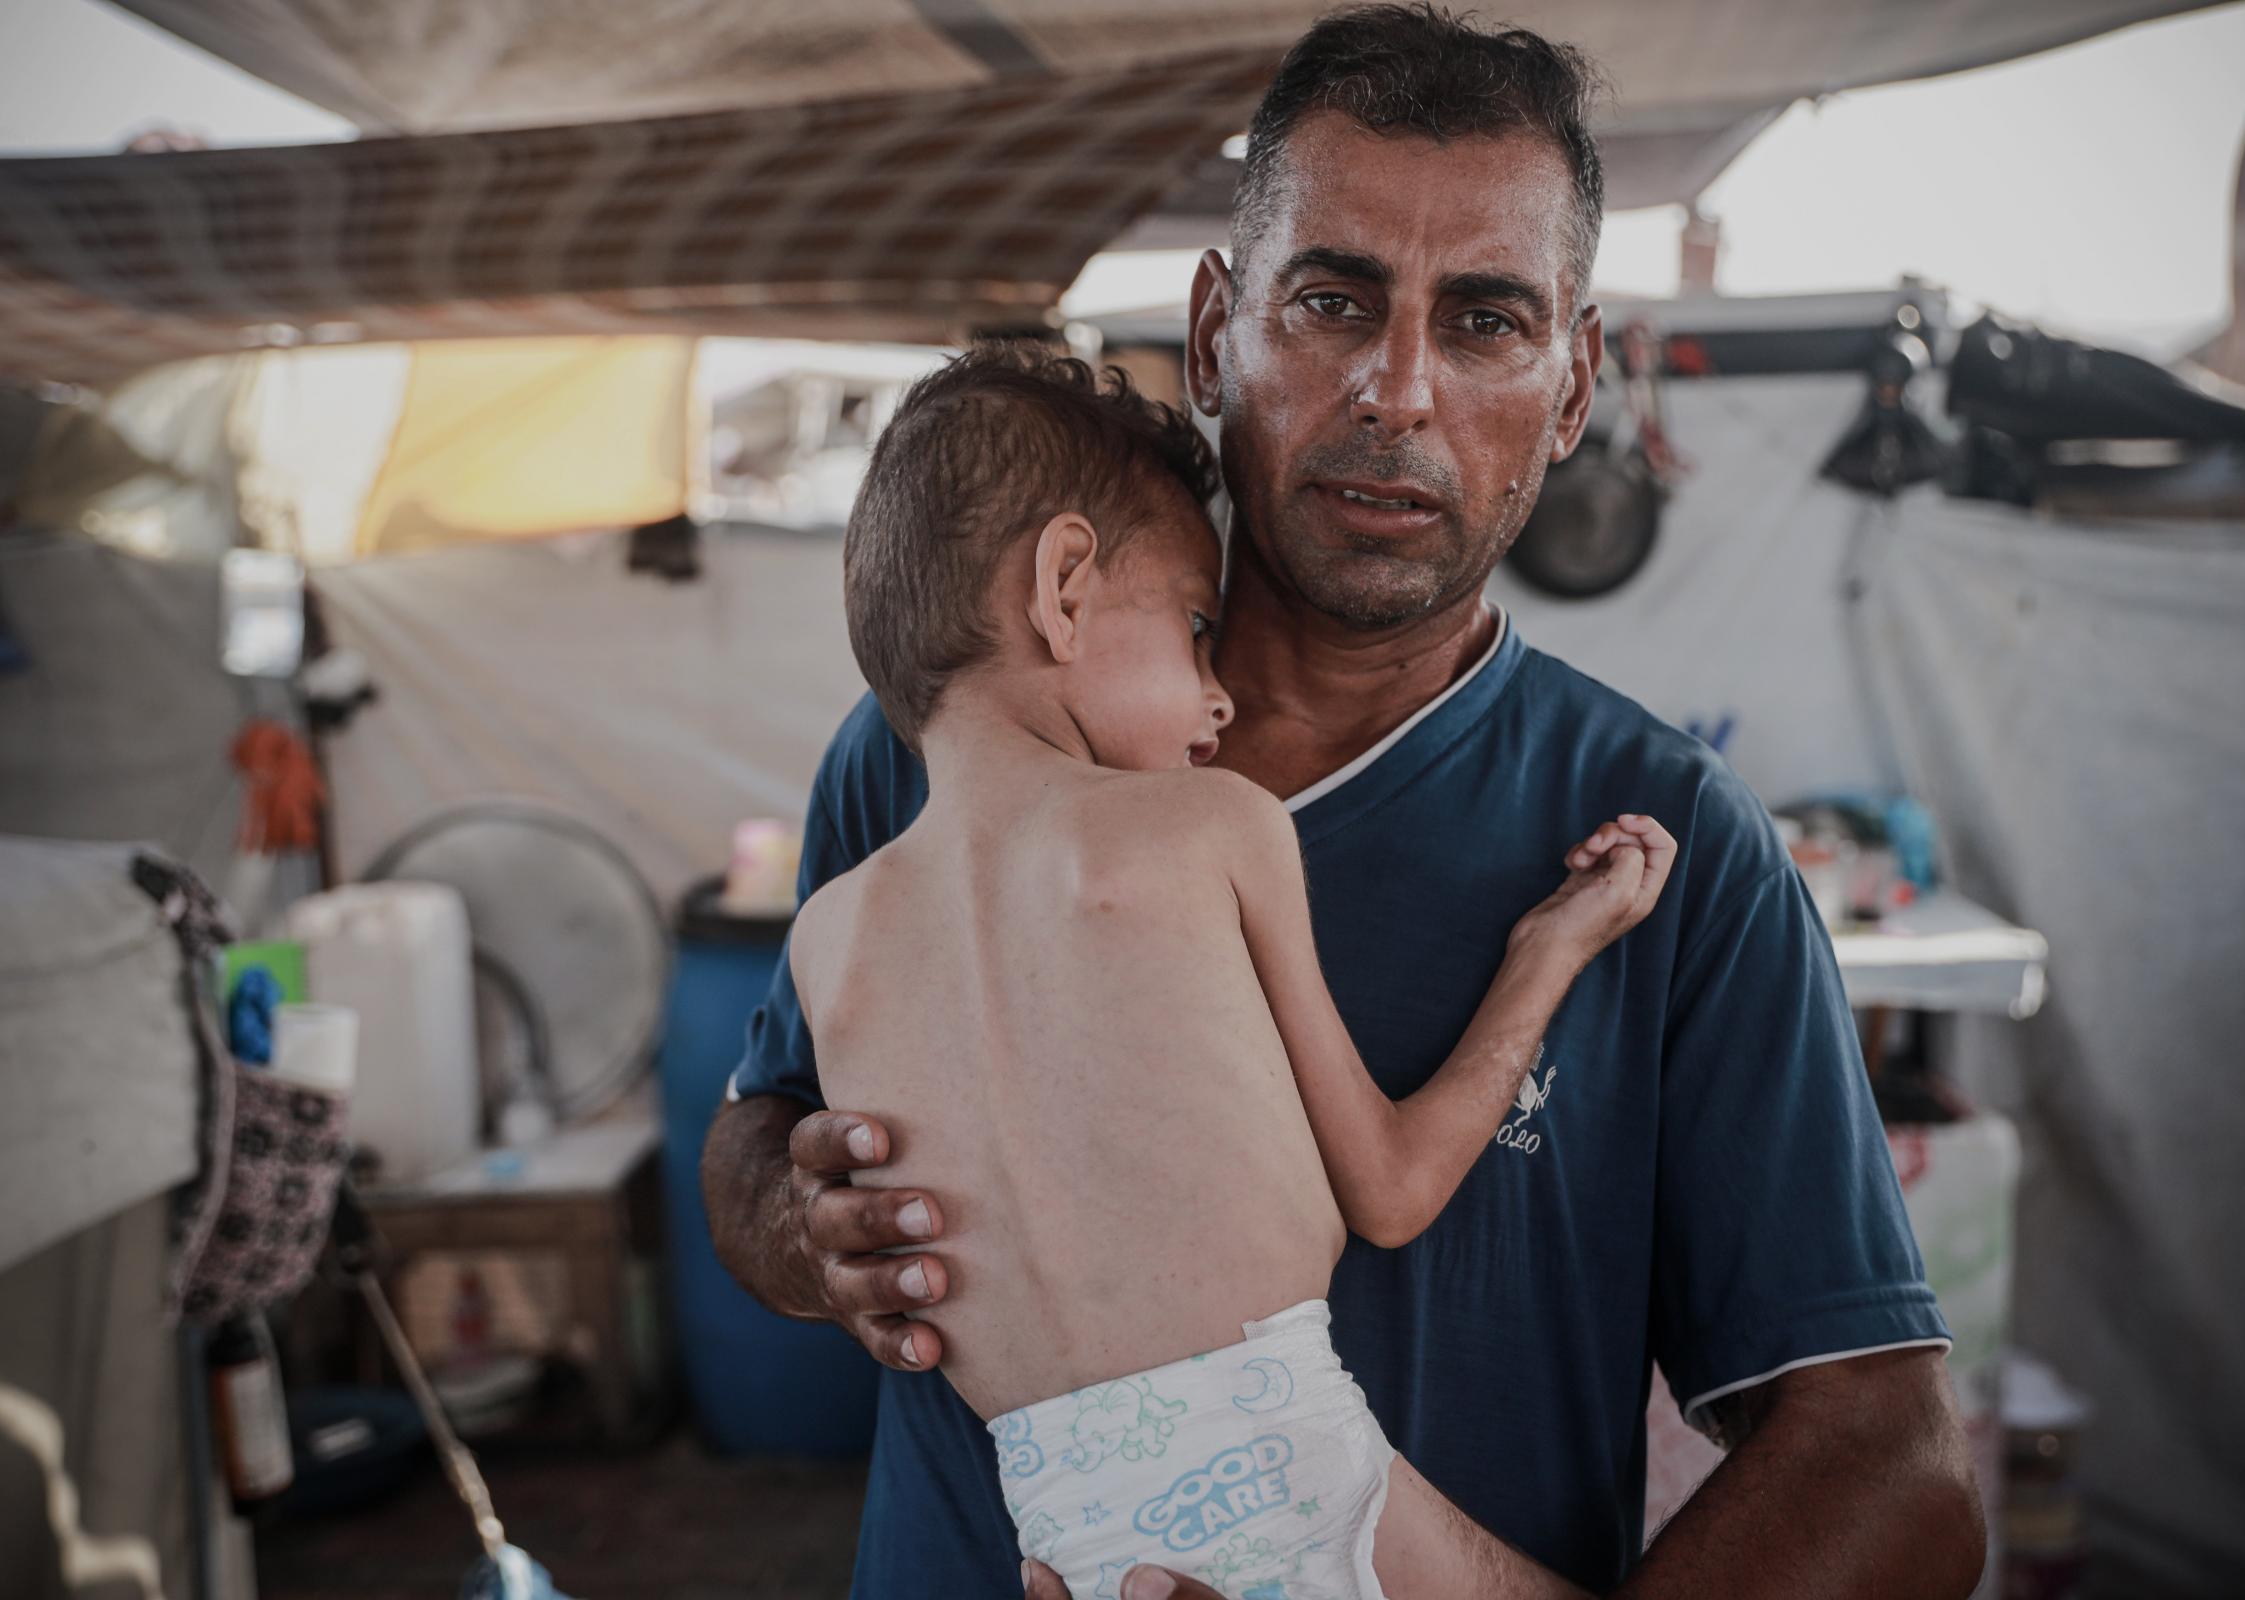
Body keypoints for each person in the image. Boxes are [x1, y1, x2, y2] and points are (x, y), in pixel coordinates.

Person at [704, 7, 1985, 1597]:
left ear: (1575, 383)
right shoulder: (921, 749)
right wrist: (806, 1229)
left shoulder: (1666, 844)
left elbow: (1890, 1459)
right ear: (1213, 331)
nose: (1398, 389)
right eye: (1332, 300)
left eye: (1488, 321)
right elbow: (757, 1133)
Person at [789, 339, 1676, 1599]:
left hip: (1062, 1527)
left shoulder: (832, 934)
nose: (1218, 703)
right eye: (1197, 630)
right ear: (1064, 584)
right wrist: (1553, 948)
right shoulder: (1215, 825)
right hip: (1280, 1460)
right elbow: (1392, 1189)